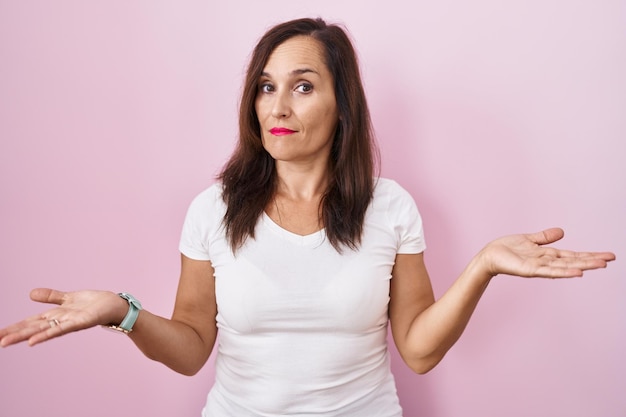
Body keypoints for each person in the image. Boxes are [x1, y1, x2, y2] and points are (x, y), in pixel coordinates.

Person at [0, 17, 616, 417]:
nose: (278, 104)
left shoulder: (390, 206)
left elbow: (419, 351)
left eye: (302, 85)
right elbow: (191, 350)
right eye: (266, 86)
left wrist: (483, 266)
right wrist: (122, 312)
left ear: (341, 106)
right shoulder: (212, 209)